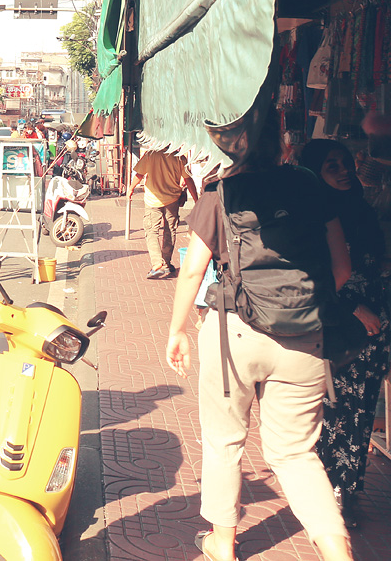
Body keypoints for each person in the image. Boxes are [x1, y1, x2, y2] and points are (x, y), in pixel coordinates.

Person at [165, 130, 354, 561]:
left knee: (224, 441)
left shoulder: (221, 190)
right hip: (306, 338)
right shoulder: (309, 183)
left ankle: (222, 545)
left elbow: (193, 271)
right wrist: (303, 310)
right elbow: (341, 267)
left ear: (228, 147)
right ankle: (338, 553)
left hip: (234, 331)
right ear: (284, 144)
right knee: (296, 454)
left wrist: (176, 330)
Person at [299, 140, 390, 528]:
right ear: (314, 172)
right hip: (338, 326)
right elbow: (316, 275)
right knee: (333, 411)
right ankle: (326, 490)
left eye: (345, 162)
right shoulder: (313, 216)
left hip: (374, 327)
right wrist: (353, 306)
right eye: (330, 165)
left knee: (361, 413)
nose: (343, 170)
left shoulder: (362, 210)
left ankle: (347, 492)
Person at [130, 147, 199, 279]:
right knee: (170, 230)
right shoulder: (178, 156)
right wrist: (196, 200)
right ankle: (166, 263)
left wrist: (131, 189)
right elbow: (188, 180)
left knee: (151, 231)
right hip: (172, 199)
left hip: (153, 200)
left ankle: (157, 263)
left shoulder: (150, 154)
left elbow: (139, 174)